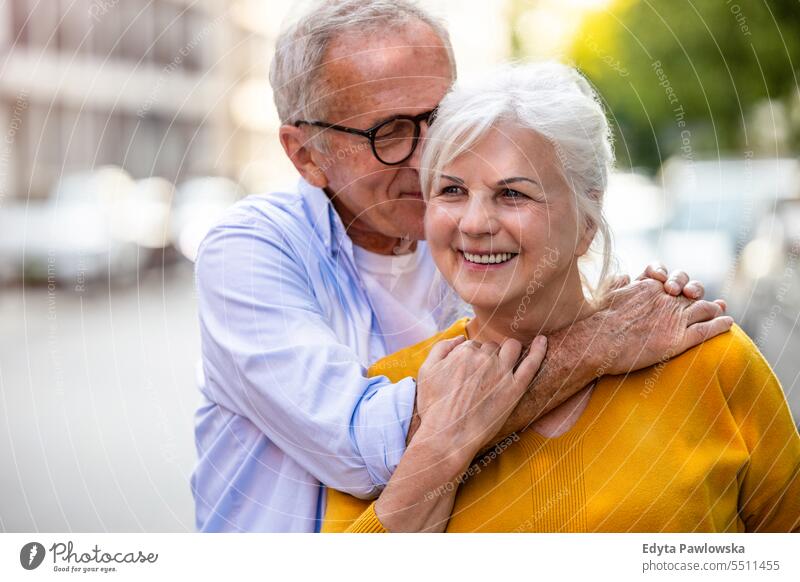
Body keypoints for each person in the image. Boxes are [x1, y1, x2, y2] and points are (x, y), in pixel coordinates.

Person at [191, 0, 730, 532]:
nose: (430, 155)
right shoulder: (249, 250)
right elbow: (365, 450)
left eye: (440, 116)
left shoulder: (464, 229)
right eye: (391, 132)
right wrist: (596, 343)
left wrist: (615, 313)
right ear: (306, 154)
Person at [323, 62, 800, 533]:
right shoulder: (391, 395)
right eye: (451, 190)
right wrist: (441, 448)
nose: (473, 223)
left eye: (512, 193)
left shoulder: (709, 361)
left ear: (586, 224)